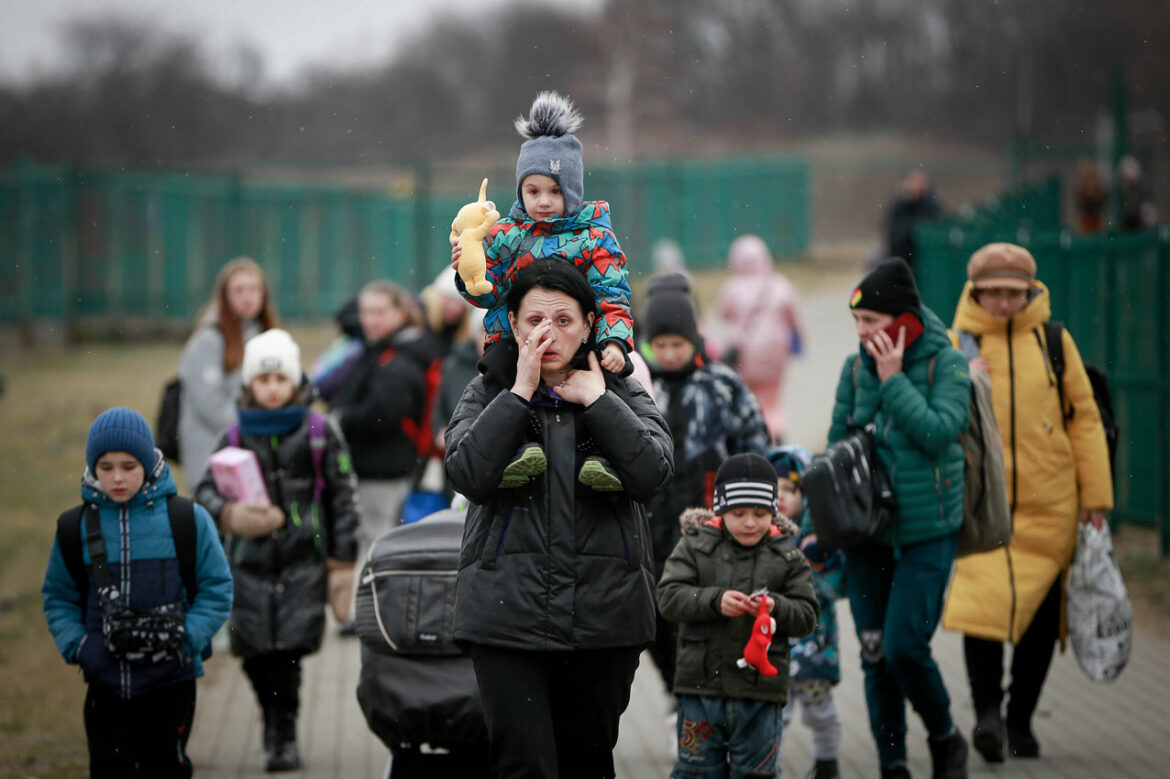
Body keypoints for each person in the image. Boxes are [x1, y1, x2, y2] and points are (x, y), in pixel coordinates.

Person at [444, 260, 672, 778]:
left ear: (591, 324)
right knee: (523, 766)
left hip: (605, 620)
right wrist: (518, 393)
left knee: (586, 764)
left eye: (565, 320)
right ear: (514, 326)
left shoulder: (623, 390)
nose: (548, 333)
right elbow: (466, 474)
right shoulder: (487, 390)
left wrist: (597, 400)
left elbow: (654, 474)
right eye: (534, 321)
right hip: (506, 618)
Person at [940, 243, 1114, 764]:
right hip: (983, 506)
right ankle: (987, 714)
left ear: (1030, 292)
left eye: (1013, 294)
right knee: (981, 614)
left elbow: (1083, 418)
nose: (1002, 303)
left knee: (1040, 621)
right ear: (976, 292)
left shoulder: (1054, 342)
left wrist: (1095, 498)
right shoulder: (955, 345)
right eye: (992, 293)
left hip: (1050, 503)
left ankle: (1021, 719)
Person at [828, 258, 970, 778]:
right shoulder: (853, 367)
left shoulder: (946, 364)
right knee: (874, 655)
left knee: (904, 647)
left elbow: (939, 432)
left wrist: (892, 382)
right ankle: (893, 764)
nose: (862, 335)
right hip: (866, 535)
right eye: (857, 324)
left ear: (902, 320)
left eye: (871, 323)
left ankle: (946, 737)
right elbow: (838, 447)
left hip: (927, 532)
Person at [195, 329, 360, 771]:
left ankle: (281, 732)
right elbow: (205, 491)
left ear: (294, 381)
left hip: (301, 564)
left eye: (279, 379)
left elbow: (342, 497)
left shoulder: (319, 431)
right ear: (250, 385)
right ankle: (270, 717)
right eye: (263, 381)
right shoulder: (233, 436)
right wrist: (230, 514)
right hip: (246, 567)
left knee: (287, 655)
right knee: (253, 653)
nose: (272, 389)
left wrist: (343, 563)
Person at [452, 90, 634, 491]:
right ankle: (515, 452)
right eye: (533, 192)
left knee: (599, 382)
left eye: (555, 191)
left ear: (572, 191)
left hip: (577, 339)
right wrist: (470, 272)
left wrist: (615, 342)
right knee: (500, 376)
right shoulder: (504, 235)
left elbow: (612, 294)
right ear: (520, 191)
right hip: (513, 339)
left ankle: (602, 458)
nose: (544, 202)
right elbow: (490, 293)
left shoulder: (594, 237)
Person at [42, 408, 233, 778]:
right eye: (105, 466)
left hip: (172, 683)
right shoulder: (74, 527)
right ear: (91, 467)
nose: (116, 478)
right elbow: (58, 595)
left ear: (149, 462)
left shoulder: (187, 520)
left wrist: (187, 638)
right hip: (105, 684)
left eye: (129, 466)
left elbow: (218, 588)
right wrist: (80, 647)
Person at [640, 272, 770, 707]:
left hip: (709, 524)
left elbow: (754, 447)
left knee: (704, 615)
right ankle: (678, 690)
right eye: (661, 345)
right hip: (652, 525)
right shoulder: (637, 387)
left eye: (678, 344)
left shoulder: (722, 385)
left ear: (694, 339)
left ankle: (705, 696)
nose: (670, 354)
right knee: (654, 618)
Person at [657, 452, 818, 779]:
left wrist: (777, 606)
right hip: (699, 692)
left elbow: (806, 614)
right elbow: (668, 598)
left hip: (760, 695)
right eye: (738, 513)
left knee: (755, 774)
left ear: (773, 511)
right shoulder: (694, 546)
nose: (749, 522)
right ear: (720, 509)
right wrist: (714, 601)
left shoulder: (787, 555)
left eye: (759, 514)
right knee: (696, 772)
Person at [328, 280, 433, 561]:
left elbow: (382, 414)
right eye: (366, 312)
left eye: (379, 311)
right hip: (374, 467)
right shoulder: (377, 351)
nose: (370, 320)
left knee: (377, 546)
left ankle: (371, 605)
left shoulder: (399, 359)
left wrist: (340, 419)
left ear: (400, 313)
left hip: (385, 470)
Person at [769, 446, 845, 779]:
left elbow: (832, 586)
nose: (782, 497)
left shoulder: (818, 541)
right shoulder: (762, 535)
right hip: (775, 648)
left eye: (791, 489)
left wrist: (808, 566)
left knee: (820, 710)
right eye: (775, 489)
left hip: (814, 645)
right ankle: (768, 765)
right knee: (775, 712)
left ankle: (827, 762)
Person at [178, 256, 277, 490]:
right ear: (224, 296)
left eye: (254, 289)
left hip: (254, 453)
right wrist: (258, 425)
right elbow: (211, 406)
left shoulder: (266, 338)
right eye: (239, 290)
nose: (247, 296)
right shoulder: (208, 342)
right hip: (213, 456)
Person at [714, 234, 805, 441]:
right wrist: (799, 343)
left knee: (748, 395)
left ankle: (753, 432)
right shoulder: (780, 285)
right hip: (776, 353)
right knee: (772, 397)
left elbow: (723, 313)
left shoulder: (732, 287)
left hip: (743, 355)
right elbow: (794, 319)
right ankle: (776, 429)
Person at [884, 169, 942, 272]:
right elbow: (891, 230)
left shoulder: (930, 206)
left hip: (919, 263)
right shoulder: (900, 205)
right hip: (901, 259)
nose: (912, 187)